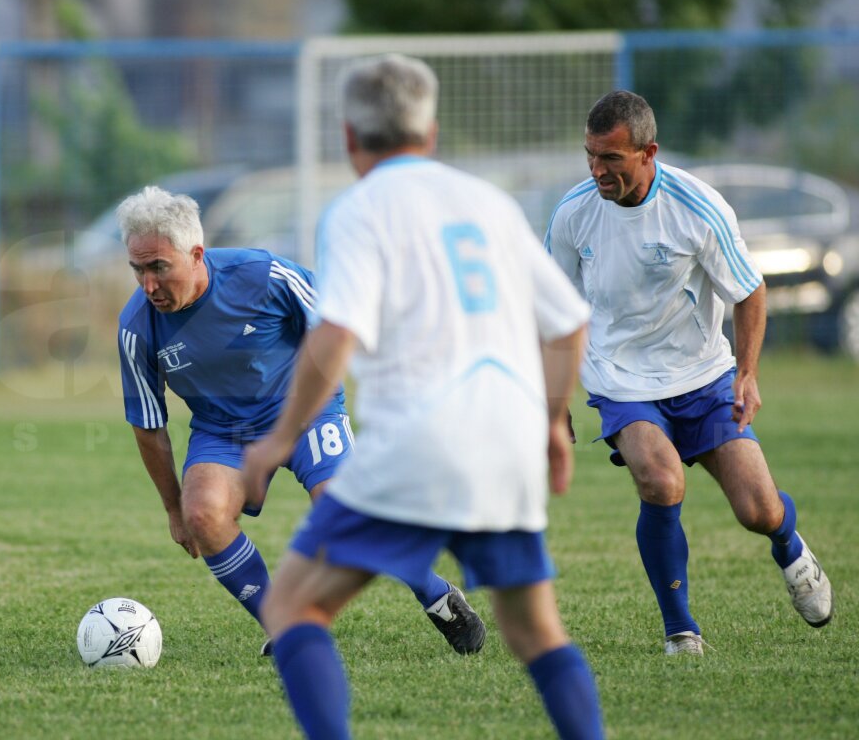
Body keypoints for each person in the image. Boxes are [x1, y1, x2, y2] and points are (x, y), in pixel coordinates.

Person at [242, 54, 603, 740]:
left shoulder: (359, 210)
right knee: (533, 629)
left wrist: (279, 438)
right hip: (505, 440)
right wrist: (553, 424)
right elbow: (568, 322)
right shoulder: (489, 202)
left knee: (292, 605)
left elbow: (336, 333)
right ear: (430, 132)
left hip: (419, 438)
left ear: (349, 138)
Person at [115, 184, 486, 657]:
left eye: (158, 268)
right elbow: (148, 425)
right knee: (204, 514)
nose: (148, 285)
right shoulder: (136, 327)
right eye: (137, 269)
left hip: (305, 412)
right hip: (224, 433)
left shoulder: (263, 274)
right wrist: (174, 510)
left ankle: (436, 595)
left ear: (196, 254)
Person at [545, 90, 834, 655]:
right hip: (621, 379)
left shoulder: (697, 208)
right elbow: (551, 310)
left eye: (612, 159)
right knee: (660, 479)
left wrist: (746, 374)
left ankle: (789, 545)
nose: (597, 170)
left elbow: (749, 291)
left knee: (758, 509)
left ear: (648, 152)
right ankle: (681, 630)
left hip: (703, 377)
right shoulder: (573, 215)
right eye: (590, 156)